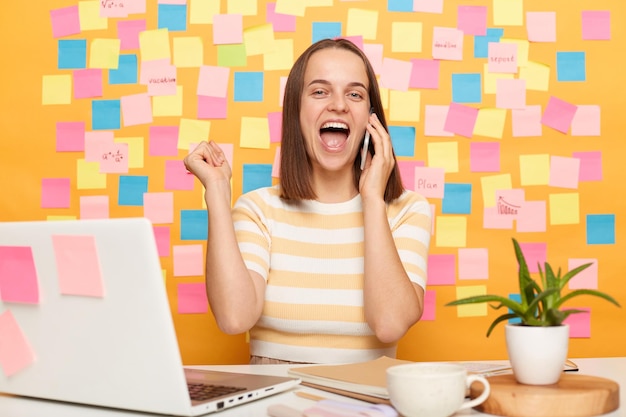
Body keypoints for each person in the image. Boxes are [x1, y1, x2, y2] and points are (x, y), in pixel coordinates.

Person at [183, 38, 432, 365]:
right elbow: (233, 318)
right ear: (296, 113)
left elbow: (389, 325)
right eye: (319, 91)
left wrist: (372, 198)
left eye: (355, 94)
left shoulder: (407, 210)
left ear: (371, 122)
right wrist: (216, 191)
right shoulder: (258, 210)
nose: (339, 105)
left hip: (367, 401)